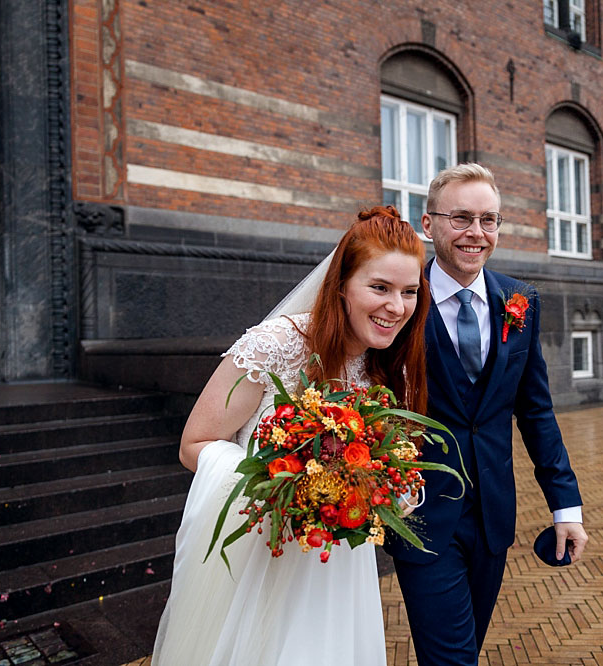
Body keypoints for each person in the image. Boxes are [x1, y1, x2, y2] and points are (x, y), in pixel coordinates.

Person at [151, 205, 430, 666]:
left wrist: (384, 487)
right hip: (260, 562)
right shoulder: (277, 345)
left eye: (409, 292)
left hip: (336, 566)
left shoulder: (385, 364)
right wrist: (292, 484)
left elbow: (384, 463)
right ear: (341, 284)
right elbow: (194, 446)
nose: (395, 307)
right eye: (379, 287)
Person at [384, 163, 589, 665]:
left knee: (465, 648)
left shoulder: (521, 300)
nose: (476, 233)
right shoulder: (399, 301)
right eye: (461, 218)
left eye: (489, 219)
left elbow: (536, 411)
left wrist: (566, 507)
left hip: (494, 516)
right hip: (422, 517)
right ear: (428, 225)